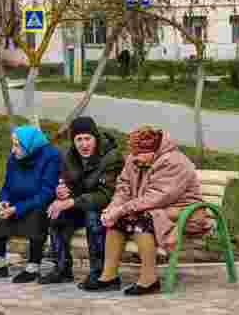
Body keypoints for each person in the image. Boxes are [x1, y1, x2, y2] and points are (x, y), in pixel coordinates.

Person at [85, 125, 210, 296]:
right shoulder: (134, 157)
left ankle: (149, 279)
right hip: (151, 209)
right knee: (118, 220)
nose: (135, 159)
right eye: (133, 154)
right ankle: (109, 277)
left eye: (140, 155)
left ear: (154, 149)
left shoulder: (173, 161)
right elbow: (124, 188)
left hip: (182, 213)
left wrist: (122, 210)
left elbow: (157, 197)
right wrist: (113, 208)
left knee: (140, 220)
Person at [38, 116, 123, 287]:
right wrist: (62, 191)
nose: (84, 144)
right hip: (80, 204)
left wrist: (71, 202)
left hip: (107, 208)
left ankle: (99, 273)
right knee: (57, 213)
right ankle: (62, 268)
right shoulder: (68, 155)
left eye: (87, 138)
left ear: (95, 138)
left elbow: (106, 194)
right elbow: (68, 182)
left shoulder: (111, 157)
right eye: (79, 139)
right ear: (73, 140)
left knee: (93, 217)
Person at [0, 125, 60, 283]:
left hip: (39, 202)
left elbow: (46, 192)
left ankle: (33, 266)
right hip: (17, 201)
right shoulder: (14, 158)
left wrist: (17, 208)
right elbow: (7, 186)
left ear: (30, 144)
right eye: (13, 144)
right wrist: (4, 200)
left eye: (17, 145)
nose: (13, 150)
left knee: (37, 214)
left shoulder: (51, 156)